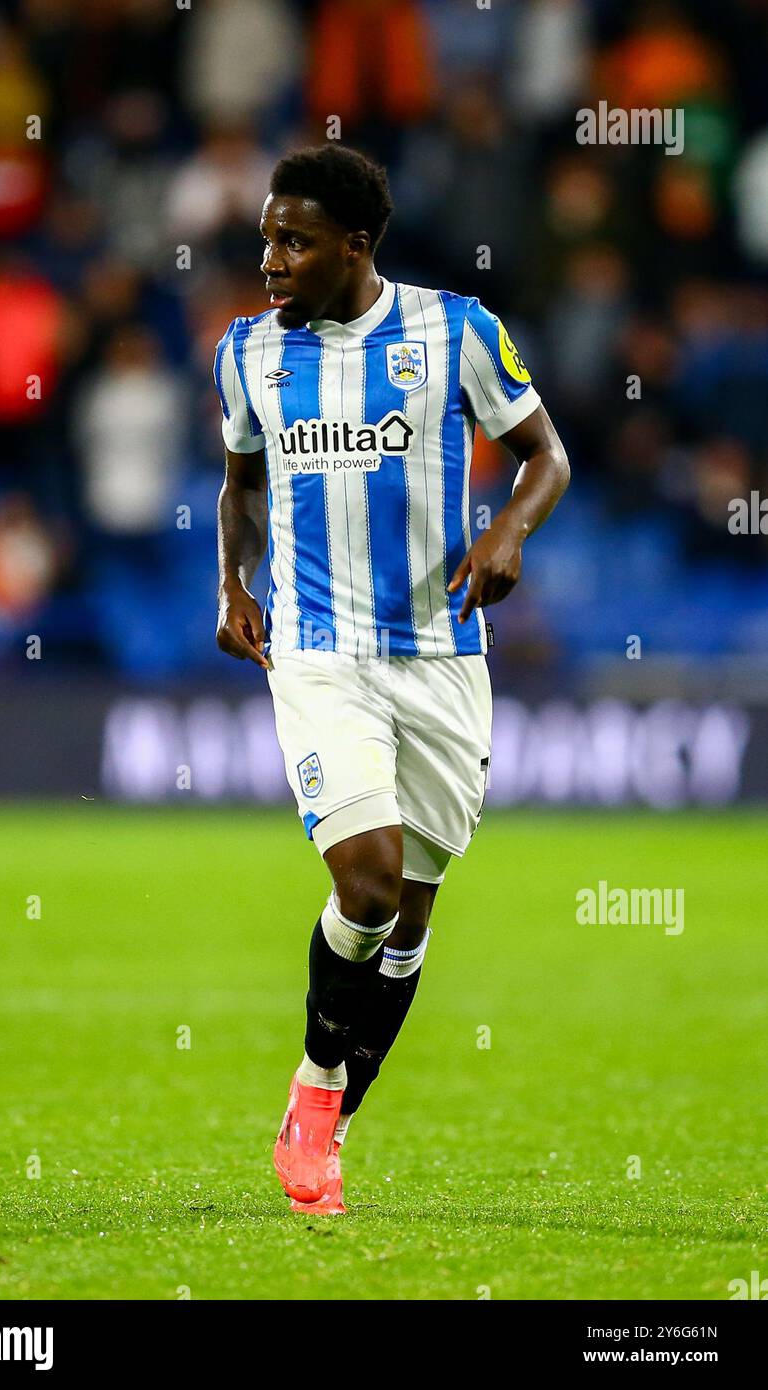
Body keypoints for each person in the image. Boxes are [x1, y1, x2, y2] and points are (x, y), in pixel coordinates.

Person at [213, 144, 569, 1214]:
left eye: (294, 241)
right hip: (319, 654)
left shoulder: (454, 331)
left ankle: (329, 1105)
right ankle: (316, 1092)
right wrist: (231, 582)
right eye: (266, 237)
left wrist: (508, 528)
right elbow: (238, 486)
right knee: (362, 886)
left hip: (440, 654)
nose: (269, 259)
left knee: (409, 921)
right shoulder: (245, 355)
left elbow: (544, 454)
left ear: (354, 247)